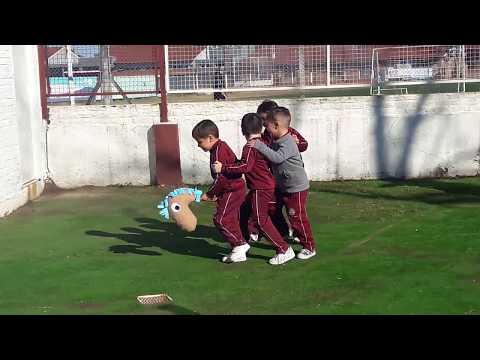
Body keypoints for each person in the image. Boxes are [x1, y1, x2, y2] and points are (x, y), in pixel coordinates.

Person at [213, 113, 295, 265]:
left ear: (243, 130)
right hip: (263, 186)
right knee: (243, 212)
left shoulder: (250, 146)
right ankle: (241, 246)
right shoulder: (262, 141)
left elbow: (245, 166)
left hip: (260, 188)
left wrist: (223, 167)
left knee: (260, 219)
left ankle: (283, 249)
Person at [247, 107, 316, 260]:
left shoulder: (288, 141)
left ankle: (309, 246)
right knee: (273, 209)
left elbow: (277, 158)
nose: (266, 129)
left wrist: (259, 146)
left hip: (296, 188)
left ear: (276, 125)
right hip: (283, 186)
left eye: (268, 126)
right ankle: (283, 234)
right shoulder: (278, 140)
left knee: (296, 216)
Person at [192, 119, 249, 263]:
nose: (198, 145)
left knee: (221, 219)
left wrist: (210, 194)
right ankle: (239, 249)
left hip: (232, 189)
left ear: (210, 138)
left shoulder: (218, 152)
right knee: (230, 218)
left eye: (199, 141)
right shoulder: (218, 148)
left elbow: (220, 179)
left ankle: (240, 244)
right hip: (231, 188)